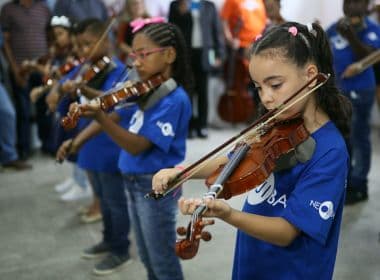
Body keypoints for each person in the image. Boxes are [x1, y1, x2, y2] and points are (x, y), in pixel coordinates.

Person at [153, 21, 352, 279]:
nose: (266, 98)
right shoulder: (277, 124)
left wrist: (229, 214)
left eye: (275, 84)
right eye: (258, 87)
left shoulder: (330, 152)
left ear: (311, 75)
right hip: (253, 261)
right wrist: (182, 172)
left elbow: (286, 232)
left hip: (291, 271)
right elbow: (235, 159)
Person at [60, 19, 192, 280]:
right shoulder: (143, 91)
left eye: (144, 55)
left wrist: (100, 117)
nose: (136, 63)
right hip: (133, 182)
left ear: (169, 54)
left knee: (162, 260)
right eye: (134, 55)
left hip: (154, 187)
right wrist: (93, 107)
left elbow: (136, 146)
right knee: (145, 255)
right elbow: (118, 108)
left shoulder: (173, 99)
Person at [56, 18, 132, 276]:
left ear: (105, 40)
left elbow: (108, 106)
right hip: (90, 144)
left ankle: (120, 248)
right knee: (101, 197)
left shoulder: (118, 72)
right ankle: (108, 238)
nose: (83, 51)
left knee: (114, 201)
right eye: (80, 46)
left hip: (108, 146)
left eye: (88, 44)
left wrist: (83, 88)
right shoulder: (90, 70)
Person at [327, 0, 380, 205]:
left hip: (360, 91)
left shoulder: (371, 28)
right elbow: (325, 50)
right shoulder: (335, 26)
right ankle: (346, 182)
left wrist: (351, 36)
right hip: (339, 92)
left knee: (359, 138)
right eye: (348, 1)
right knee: (343, 139)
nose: (351, 7)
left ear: (366, 6)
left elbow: (369, 57)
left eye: (357, 2)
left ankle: (360, 185)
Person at [0, 0, 51, 159]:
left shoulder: (43, 8)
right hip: (20, 69)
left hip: (42, 67)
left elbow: (51, 37)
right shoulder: (8, 9)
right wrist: (14, 69)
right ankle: (24, 150)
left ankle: (48, 145)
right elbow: (5, 42)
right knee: (22, 110)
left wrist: (48, 64)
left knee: (46, 106)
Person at [169, 0, 225, 138]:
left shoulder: (209, 6)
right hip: (185, 54)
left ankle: (202, 125)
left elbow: (216, 30)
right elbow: (172, 30)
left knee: (203, 92)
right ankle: (189, 126)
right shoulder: (176, 5)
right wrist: (182, 13)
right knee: (187, 91)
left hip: (204, 54)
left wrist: (220, 53)